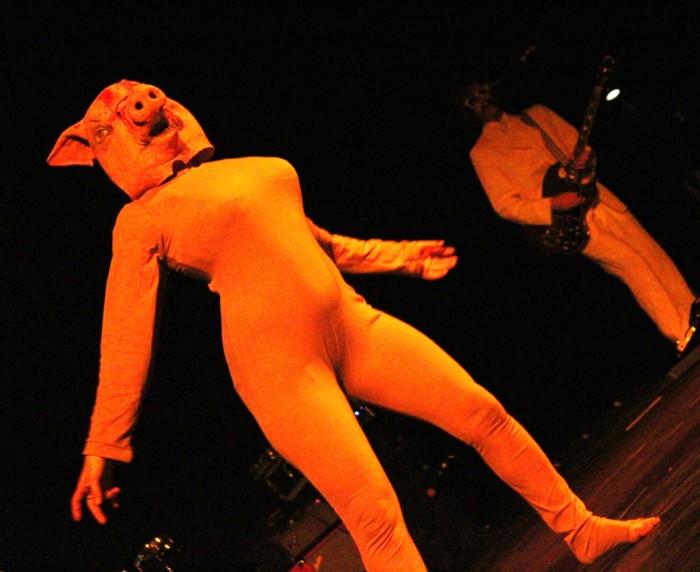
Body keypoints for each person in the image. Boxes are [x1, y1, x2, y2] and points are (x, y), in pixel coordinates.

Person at [49, 80, 659, 571]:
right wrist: (104, 446)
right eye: (123, 114)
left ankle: (580, 530)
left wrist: (403, 258)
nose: (144, 107)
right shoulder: (140, 220)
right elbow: (125, 332)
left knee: (484, 414)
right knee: (374, 513)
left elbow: (321, 243)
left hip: (353, 323)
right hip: (280, 369)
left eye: (146, 96)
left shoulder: (250, 170)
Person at [460, 81, 699, 354]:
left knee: (651, 253)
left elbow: (578, 145)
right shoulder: (482, 152)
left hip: (596, 196)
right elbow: (504, 205)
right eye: (472, 100)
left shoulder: (536, 114)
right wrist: (552, 204)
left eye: (482, 92)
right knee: (630, 263)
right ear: (467, 111)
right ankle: (680, 331)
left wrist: (585, 160)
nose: (482, 100)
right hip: (568, 220)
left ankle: (693, 312)